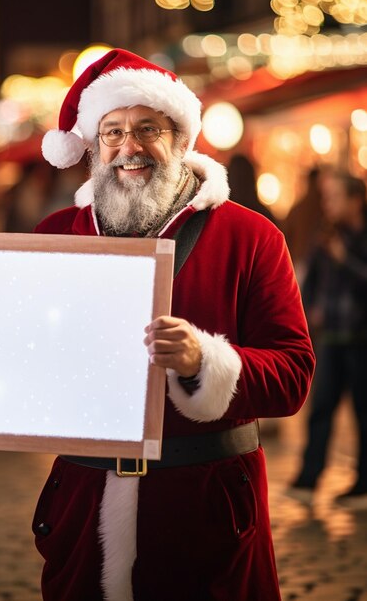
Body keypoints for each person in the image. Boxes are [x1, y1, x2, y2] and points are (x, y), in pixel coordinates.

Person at [32, 48, 315, 601]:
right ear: (92, 144)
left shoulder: (251, 237)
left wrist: (204, 362)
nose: (128, 147)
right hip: (83, 507)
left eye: (147, 129)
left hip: (205, 506)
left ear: (181, 138)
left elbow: (294, 375)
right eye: (112, 132)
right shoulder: (56, 233)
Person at [288, 172, 367, 507]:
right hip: (332, 337)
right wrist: (307, 311)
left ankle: (363, 484)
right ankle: (308, 478)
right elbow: (311, 283)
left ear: (356, 200)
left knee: (364, 413)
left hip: (362, 338)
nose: (328, 204)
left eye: (335, 197)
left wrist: (343, 259)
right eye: (327, 197)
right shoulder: (325, 234)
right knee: (321, 408)